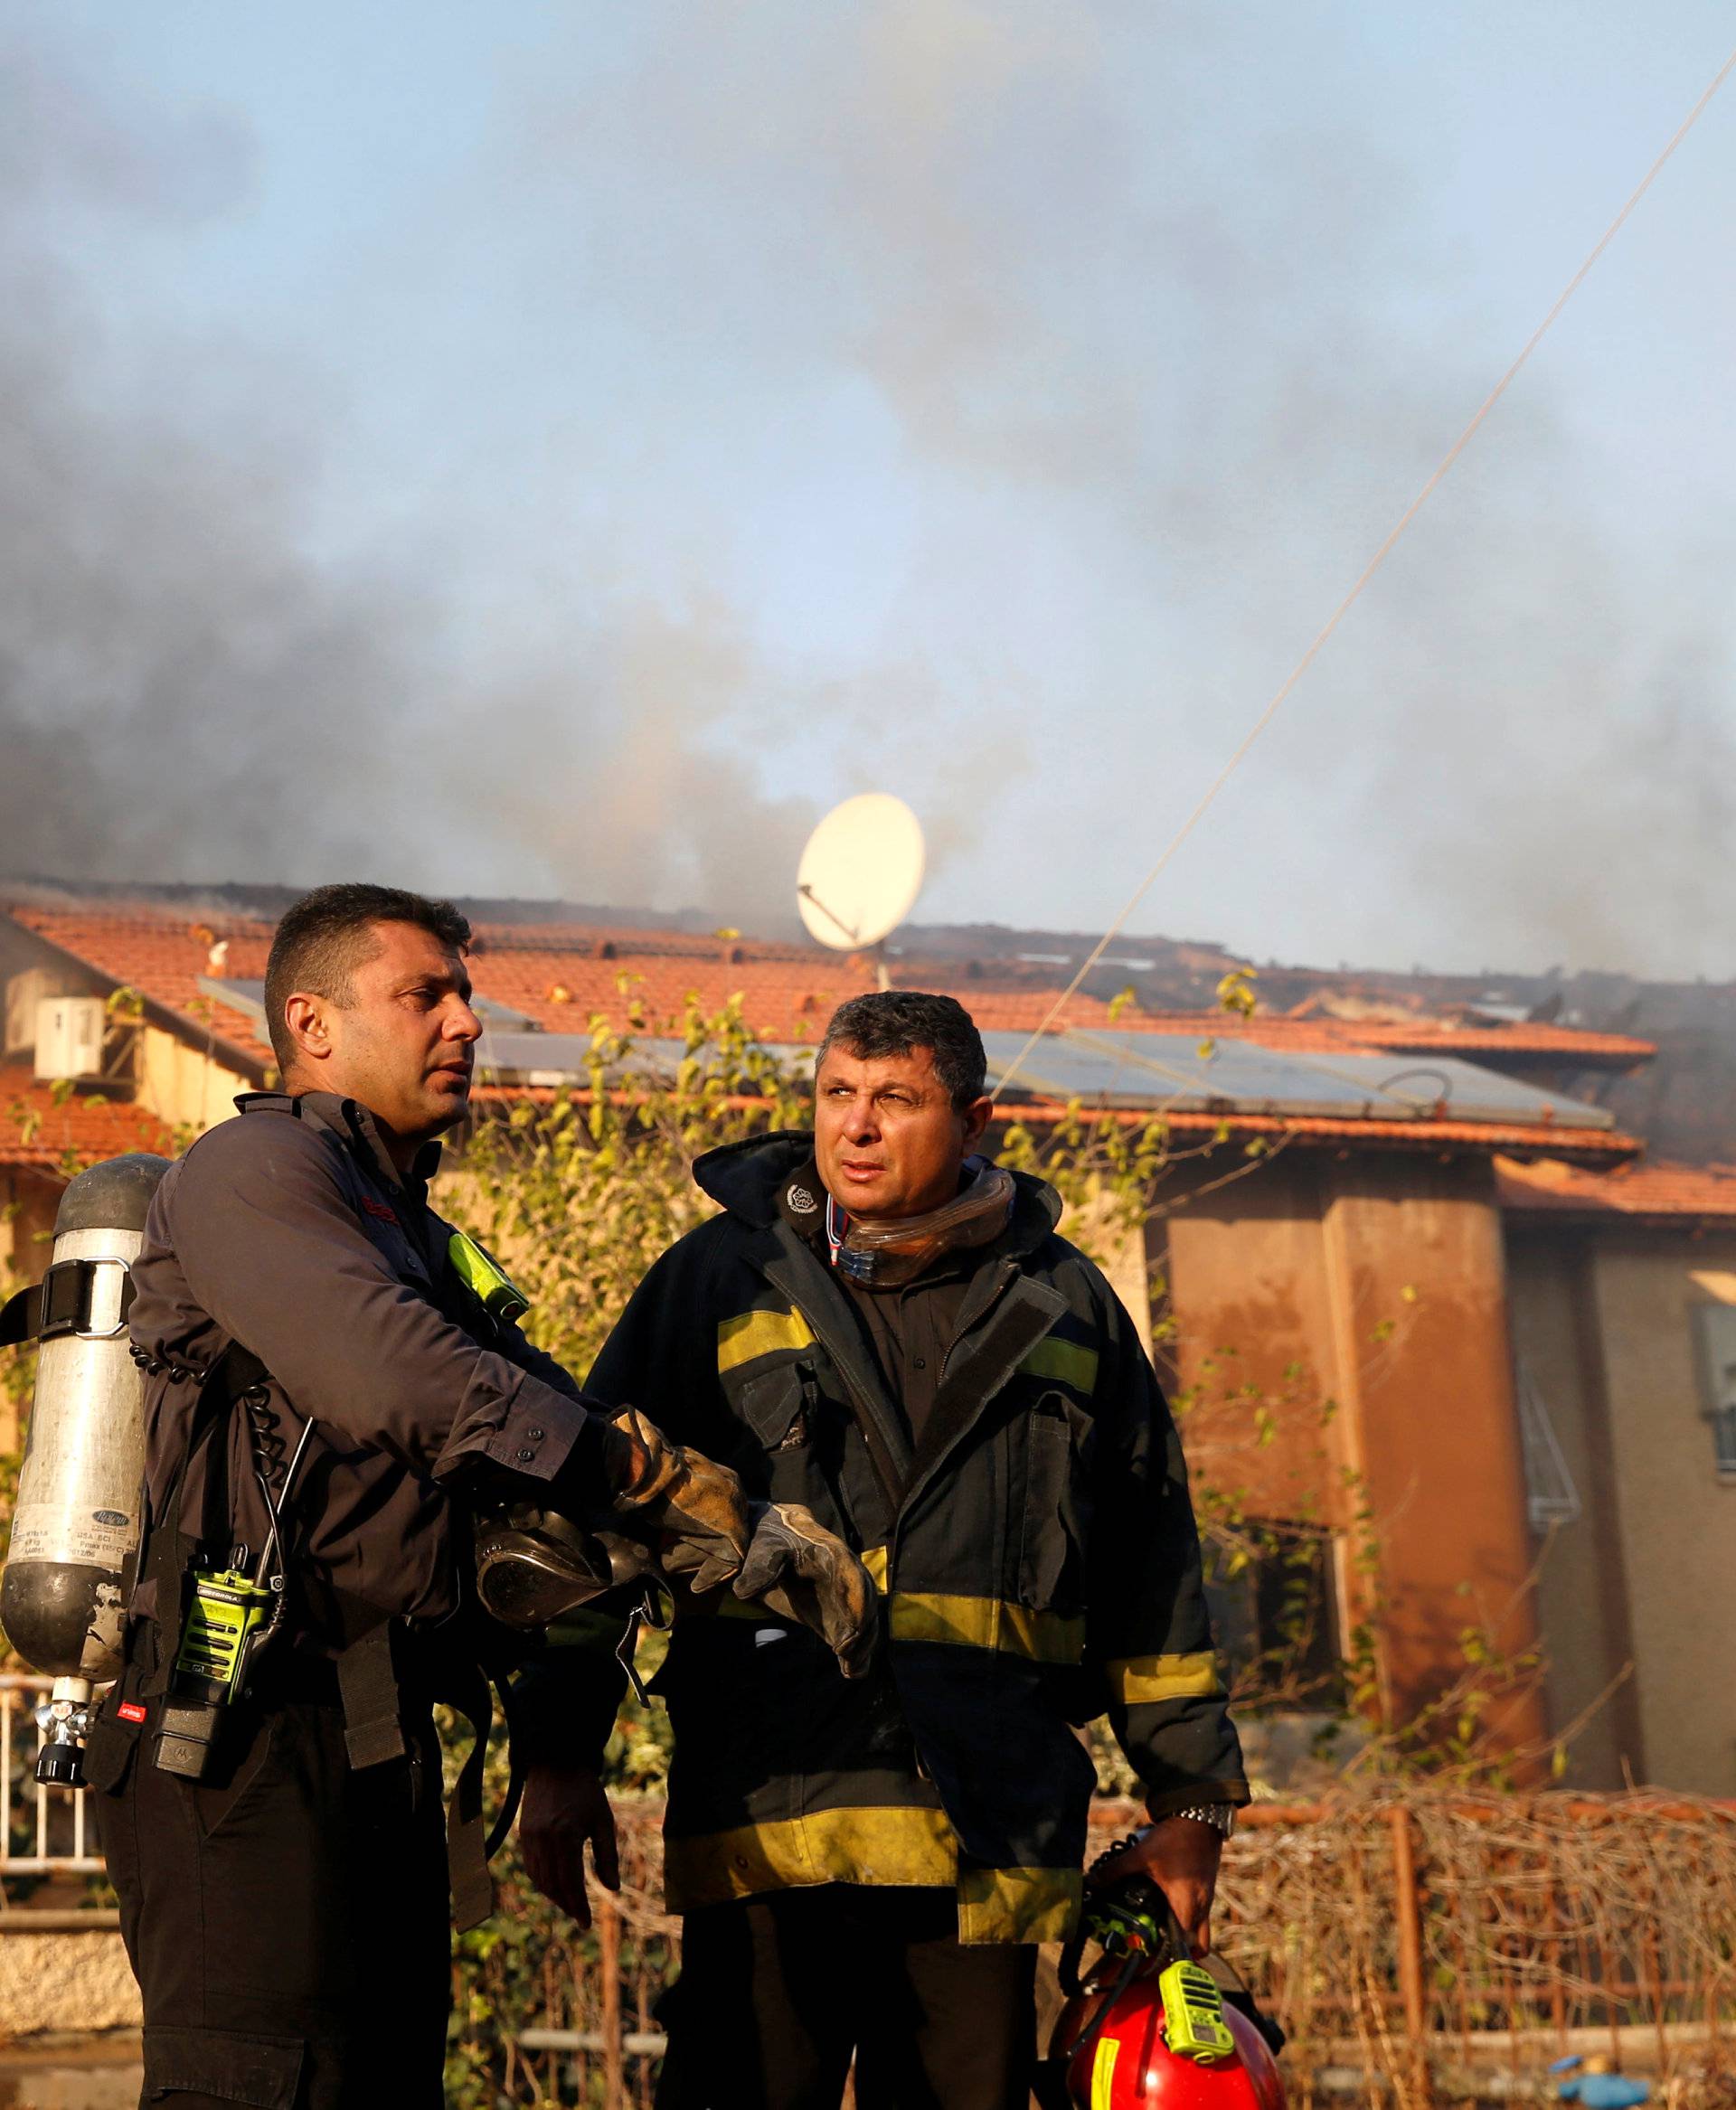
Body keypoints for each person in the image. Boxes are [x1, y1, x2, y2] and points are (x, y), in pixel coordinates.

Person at [88, 882, 871, 2110]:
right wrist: (646, 1477)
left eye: (464, 992)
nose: (465, 1019)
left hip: (376, 1724)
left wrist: (739, 1528)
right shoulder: (253, 1170)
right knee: (261, 2086)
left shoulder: (397, 1217)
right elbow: (395, 1371)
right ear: (313, 1020)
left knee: (385, 2082)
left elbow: (542, 1408)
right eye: (424, 994)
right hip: (240, 1725)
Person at [521, 989, 1247, 2110]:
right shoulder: (720, 1281)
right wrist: (558, 1753)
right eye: (837, 1095)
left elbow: (1152, 1565)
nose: (854, 1127)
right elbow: (591, 1521)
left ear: (976, 1121)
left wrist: (1191, 1801)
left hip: (987, 1832)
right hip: (770, 1817)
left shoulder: (1067, 1306)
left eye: (895, 1100)